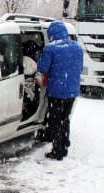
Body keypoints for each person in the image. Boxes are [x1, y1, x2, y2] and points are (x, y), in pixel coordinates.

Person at [35, 21, 83, 161]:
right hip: (72, 92)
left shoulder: (51, 48)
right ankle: (65, 142)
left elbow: (42, 69)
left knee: (55, 120)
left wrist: (38, 72)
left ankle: (58, 151)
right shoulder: (77, 47)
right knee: (64, 119)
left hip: (57, 92)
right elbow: (79, 69)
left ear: (51, 34)